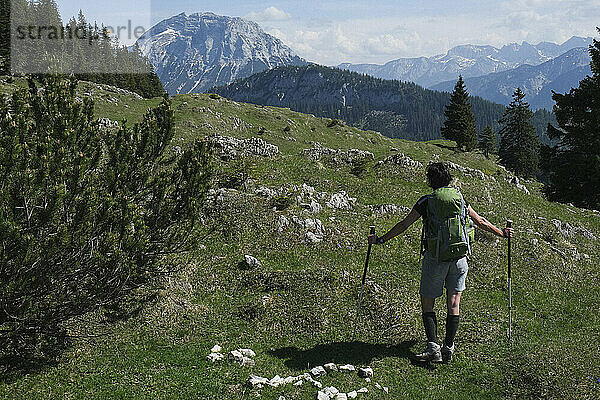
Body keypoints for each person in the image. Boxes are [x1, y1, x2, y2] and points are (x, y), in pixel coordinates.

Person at [368, 162, 514, 363]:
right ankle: (449, 347)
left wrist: (381, 239)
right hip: (459, 259)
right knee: (454, 304)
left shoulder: (426, 201)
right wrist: (502, 233)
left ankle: (433, 348)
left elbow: (403, 225)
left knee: (428, 303)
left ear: (430, 181)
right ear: (449, 178)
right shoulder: (460, 199)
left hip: (435, 259)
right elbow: (480, 222)